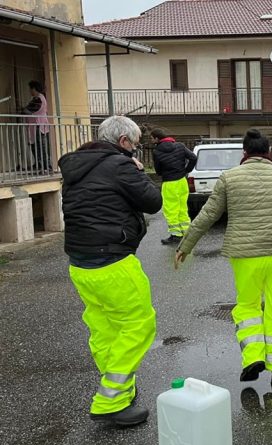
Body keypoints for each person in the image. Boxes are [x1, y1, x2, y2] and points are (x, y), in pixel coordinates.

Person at [175, 129, 272, 386]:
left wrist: (185, 245)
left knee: (247, 305)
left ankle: (252, 358)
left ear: (244, 153)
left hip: (245, 255)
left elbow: (207, 215)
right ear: (269, 152)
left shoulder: (229, 177)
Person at [58, 116, 162, 427]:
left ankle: (121, 389)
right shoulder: (120, 165)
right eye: (135, 144)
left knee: (104, 330)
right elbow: (153, 202)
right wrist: (136, 169)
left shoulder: (76, 167)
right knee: (138, 326)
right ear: (125, 143)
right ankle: (110, 401)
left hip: (80, 262)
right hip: (113, 261)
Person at [150, 127, 197, 245]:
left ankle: (176, 235)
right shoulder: (180, 146)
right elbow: (193, 157)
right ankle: (186, 233)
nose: (151, 141)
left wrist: (164, 172)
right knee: (183, 208)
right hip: (182, 181)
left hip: (169, 183)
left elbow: (158, 171)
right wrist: (186, 170)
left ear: (157, 138)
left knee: (171, 210)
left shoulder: (157, 151)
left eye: (151, 138)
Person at [22, 80, 51, 171]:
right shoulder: (39, 98)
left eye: (30, 89)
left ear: (34, 89)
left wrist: (24, 109)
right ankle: (40, 164)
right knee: (36, 145)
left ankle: (44, 165)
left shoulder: (38, 99)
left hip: (38, 125)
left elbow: (29, 109)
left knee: (39, 146)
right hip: (37, 125)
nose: (30, 91)